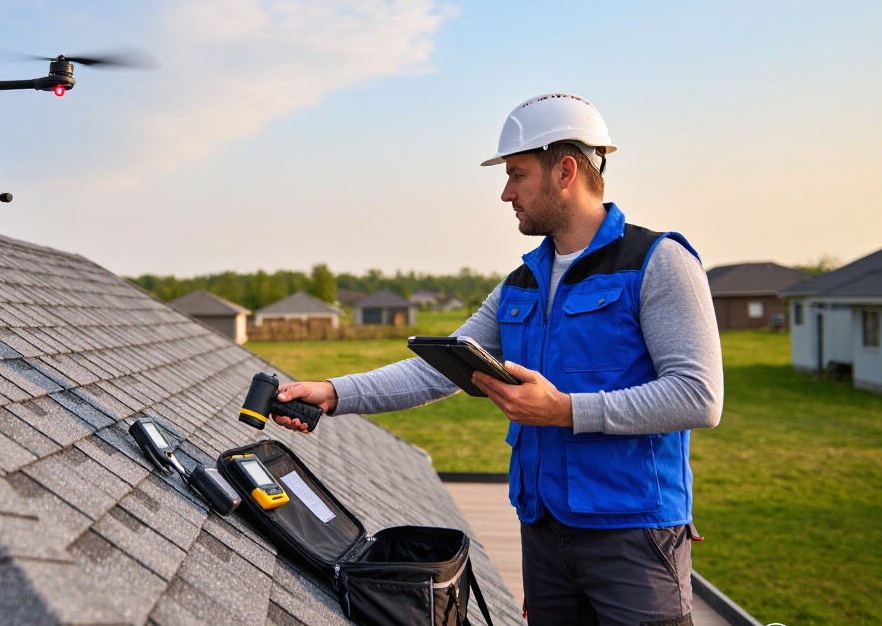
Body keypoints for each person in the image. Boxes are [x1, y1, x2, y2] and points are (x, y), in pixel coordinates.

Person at [273, 93, 723, 626]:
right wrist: (333, 392)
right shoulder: (520, 283)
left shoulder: (658, 263)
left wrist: (564, 410)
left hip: (634, 536)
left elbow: (698, 396)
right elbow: (439, 368)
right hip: (545, 536)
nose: (506, 193)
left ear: (566, 171)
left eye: (517, 174)